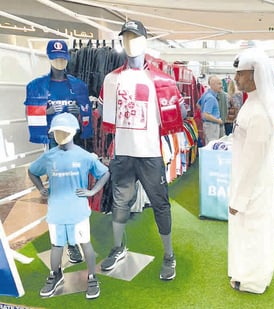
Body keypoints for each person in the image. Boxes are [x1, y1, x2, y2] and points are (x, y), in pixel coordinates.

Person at [98, 20, 176, 281]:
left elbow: (175, 113)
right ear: (121, 41)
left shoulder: (160, 79)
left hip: (150, 153)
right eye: (126, 37)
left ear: (145, 41)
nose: (130, 42)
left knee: (160, 204)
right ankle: (118, 247)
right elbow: (102, 112)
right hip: (123, 152)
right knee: (120, 204)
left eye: (136, 37)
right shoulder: (111, 79)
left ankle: (169, 255)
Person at [24, 39, 94, 263]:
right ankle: (65, 243)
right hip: (54, 147)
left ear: (68, 58)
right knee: (58, 195)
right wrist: (45, 111)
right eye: (55, 57)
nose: (60, 61)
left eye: (63, 57)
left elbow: (85, 117)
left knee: (75, 192)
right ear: (49, 58)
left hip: (74, 145)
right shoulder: (38, 86)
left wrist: (77, 113)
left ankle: (75, 241)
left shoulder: (77, 85)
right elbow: (32, 116)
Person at [28, 113, 110, 299]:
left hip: (78, 211)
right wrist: (41, 188)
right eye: (56, 131)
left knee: (85, 244)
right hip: (56, 211)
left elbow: (104, 173)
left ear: (74, 132)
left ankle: (92, 277)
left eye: (64, 131)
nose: (60, 135)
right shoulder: (49, 156)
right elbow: (32, 171)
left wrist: (92, 191)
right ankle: (55, 275)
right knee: (56, 246)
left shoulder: (84, 156)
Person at [228, 48, 274, 294]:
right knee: (244, 230)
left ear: (254, 75)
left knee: (253, 231)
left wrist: (239, 197)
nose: (237, 79)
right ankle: (242, 273)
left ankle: (252, 280)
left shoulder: (261, 112)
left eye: (240, 74)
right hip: (245, 178)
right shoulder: (252, 103)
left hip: (254, 185)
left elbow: (253, 162)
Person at [198, 76, 224, 145]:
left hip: (208, 125)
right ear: (212, 85)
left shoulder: (206, 94)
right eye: (219, 84)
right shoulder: (211, 98)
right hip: (212, 126)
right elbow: (206, 115)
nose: (221, 86)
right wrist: (218, 120)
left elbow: (198, 104)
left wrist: (204, 110)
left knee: (210, 145)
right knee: (212, 146)